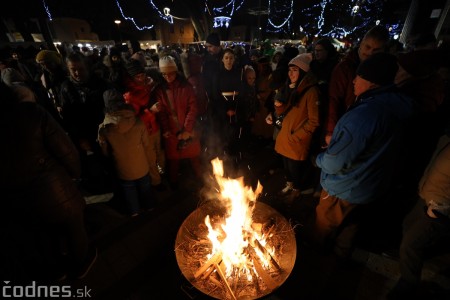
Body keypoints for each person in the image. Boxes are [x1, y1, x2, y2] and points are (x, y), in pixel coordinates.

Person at [311, 53, 413, 260]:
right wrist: (341, 141)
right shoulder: (396, 106)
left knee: (325, 224)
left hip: (343, 188)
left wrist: (318, 159)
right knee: (352, 224)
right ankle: (341, 255)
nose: (354, 81)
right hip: (370, 187)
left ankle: (315, 257)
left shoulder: (365, 114)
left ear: (372, 81)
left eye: (359, 76)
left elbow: (335, 163)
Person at [0, 82, 97, 281]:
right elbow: (67, 151)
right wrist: (75, 173)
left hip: (16, 200)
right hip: (54, 190)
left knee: (43, 236)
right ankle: (81, 264)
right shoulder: (32, 113)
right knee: (74, 228)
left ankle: (56, 270)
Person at [387, 128, 450, 299]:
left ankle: (408, 284)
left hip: (437, 205)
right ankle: (409, 258)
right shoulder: (447, 136)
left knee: (411, 244)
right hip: (426, 194)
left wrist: (440, 209)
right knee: (407, 226)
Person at [324, 25, 390, 146]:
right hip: (344, 126)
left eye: (376, 50)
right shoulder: (345, 68)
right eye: (368, 47)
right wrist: (330, 131)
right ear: (361, 43)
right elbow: (333, 99)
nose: (370, 53)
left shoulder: (385, 71)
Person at [98, 89, 158, 217]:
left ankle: (134, 212)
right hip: (141, 166)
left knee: (128, 190)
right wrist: (152, 162)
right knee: (145, 188)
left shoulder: (104, 128)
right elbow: (147, 145)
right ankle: (150, 208)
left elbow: (105, 151)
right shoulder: (137, 122)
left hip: (122, 168)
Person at [273, 53, 321, 204]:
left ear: (303, 72)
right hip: (286, 137)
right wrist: (276, 109)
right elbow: (285, 112)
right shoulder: (292, 88)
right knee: (288, 169)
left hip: (295, 140)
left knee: (296, 170)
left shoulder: (312, 92)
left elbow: (314, 121)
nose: (291, 73)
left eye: (295, 70)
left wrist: (296, 136)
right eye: (290, 70)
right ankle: (290, 186)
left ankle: (296, 191)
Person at [153, 56, 202, 189]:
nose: (168, 77)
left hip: (188, 128)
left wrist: (187, 129)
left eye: (170, 73)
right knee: (173, 160)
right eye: (164, 74)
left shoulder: (186, 87)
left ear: (176, 71)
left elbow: (193, 108)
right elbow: (162, 112)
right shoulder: (160, 90)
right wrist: (166, 129)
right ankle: (174, 183)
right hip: (172, 130)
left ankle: (201, 181)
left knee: (194, 157)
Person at [123, 58, 165, 191]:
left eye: (142, 75)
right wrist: (150, 111)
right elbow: (134, 119)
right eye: (137, 76)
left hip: (157, 127)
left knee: (160, 153)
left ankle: (162, 175)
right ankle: (157, 183)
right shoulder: (130, 95)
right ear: (131, 77)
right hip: (146, 131)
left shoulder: (151, 85)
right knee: (151, 159)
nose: (141, 78)